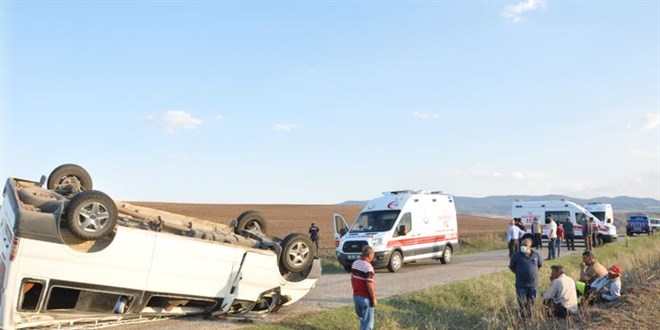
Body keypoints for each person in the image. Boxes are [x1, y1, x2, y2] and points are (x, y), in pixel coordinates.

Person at [509, 238, 542, 319]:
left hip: (533, 285)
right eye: (522, 245)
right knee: (522, 303)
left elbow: (539, 265)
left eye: (525, 245)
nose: (522, 246)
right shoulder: (516, 255)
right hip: (521, 285)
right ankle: (523, 319)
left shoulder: (536, 255)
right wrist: (519, 273)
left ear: (530, 246)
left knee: (531, 303)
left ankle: (530, 318)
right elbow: (512, 267)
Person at [351, 245, 377, 330]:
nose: (373, 256)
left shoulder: (355, 263)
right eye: (373, 254)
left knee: (363, 321)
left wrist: (355, 290)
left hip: (356, 297)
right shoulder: (369, 267)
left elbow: (352, 278)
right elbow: (369, 284)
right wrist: (373, 298)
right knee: (368, 325)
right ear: (369, 255)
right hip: (366, 298)